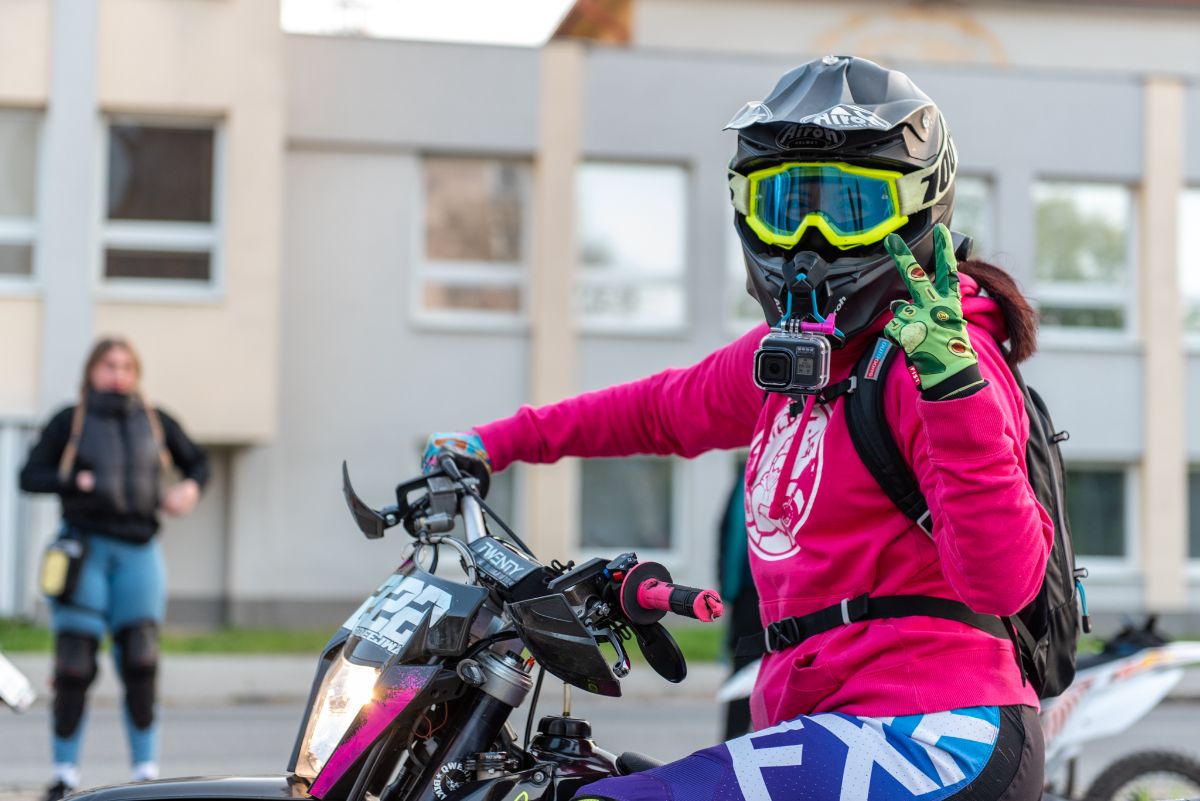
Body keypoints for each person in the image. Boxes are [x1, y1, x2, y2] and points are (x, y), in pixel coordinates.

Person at [424, 56, 1050, 801]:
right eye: (785, 208)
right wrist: (492, 442)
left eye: (852, 209)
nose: (810, 243)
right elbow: (657, 410)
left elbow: (1004, 582)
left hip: (935, 728)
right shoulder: (795, 359)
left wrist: (955, 394)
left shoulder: (941, 360)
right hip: (824, 718)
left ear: (919, 209)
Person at [20, 337, 209, 801]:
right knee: (74, 667)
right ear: (92, 370)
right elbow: (29, 475)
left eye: (127, 366)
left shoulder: (155, 421)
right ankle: (64, 776)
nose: (118, 374)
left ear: (136, 373)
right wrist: (73, 480)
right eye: (109, 365)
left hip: (139, 554)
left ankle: (145, 775)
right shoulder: (71, 420)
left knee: (142, 662)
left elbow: (198, 463)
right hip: (84, 552)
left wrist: (188, 490)